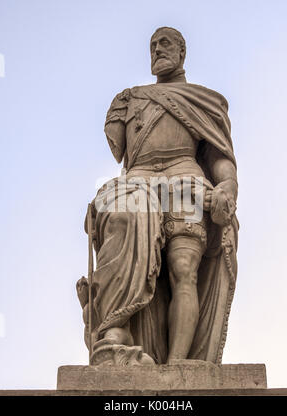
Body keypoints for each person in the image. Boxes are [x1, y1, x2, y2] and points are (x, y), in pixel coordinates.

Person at [77, 27, 238, 365]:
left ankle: (179, 364)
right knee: (120, 219)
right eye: (152, 45)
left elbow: (219, 156)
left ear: (182, 53)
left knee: (184, 266)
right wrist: (116, 114)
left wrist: (227, 186)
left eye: (165, 44)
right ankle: (114, 331)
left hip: (185, 179)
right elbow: (118, 149)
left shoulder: (204, 100)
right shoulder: (131, 97)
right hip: (139, 179)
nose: (157, 50)